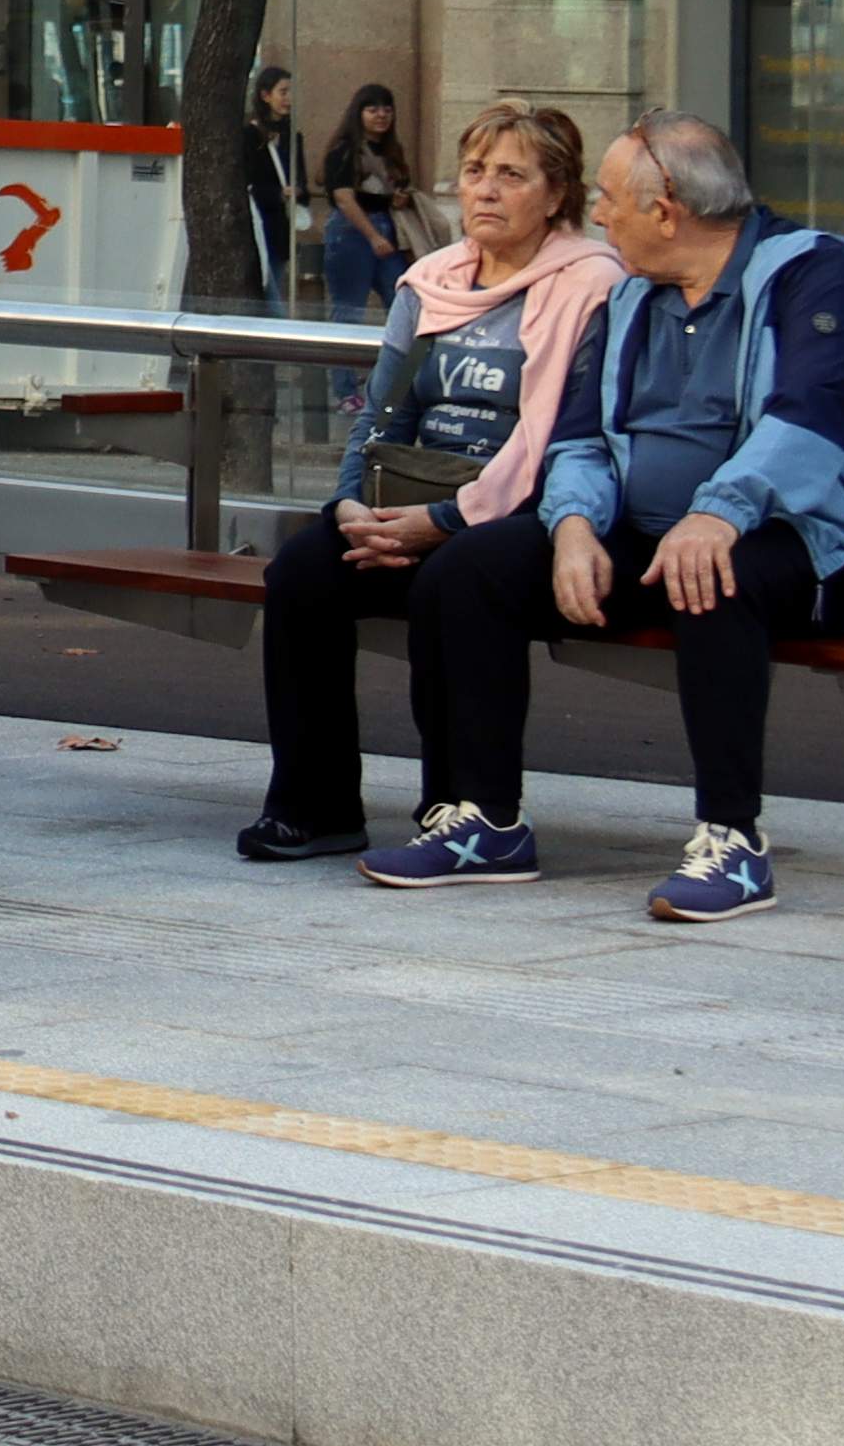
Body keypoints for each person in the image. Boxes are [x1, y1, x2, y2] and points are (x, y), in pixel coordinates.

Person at [367, 111, 844, 924]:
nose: (597, 215)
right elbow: (579, 435)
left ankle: (732, 840)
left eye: (610, 199)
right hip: (639, 533)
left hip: (797, 540)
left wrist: (718, 513)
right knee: (465, 571)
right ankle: (485, 822)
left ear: (667, 211)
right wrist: (574, 527)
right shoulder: (627, 295)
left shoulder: (810, 271)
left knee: (710, 578)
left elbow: (810, 415)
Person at [237, 101, 618, 861]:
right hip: (406, 503)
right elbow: (382, 413)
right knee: (304, 572)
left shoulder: (590, 285)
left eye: (511, 175)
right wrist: (352, 506)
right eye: (474, 171)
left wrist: (443, 521)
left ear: (556, 193)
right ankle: (314, 805)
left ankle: (455, 806)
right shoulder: (430, 282)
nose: (484, 190)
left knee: (453, 578)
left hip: (523, 513)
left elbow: (561, 438)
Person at [318, 82, 418, 316]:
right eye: (373, 110)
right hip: (351, 231)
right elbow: (344, 199)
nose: (381, 115)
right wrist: (373, 236)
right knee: (349, 308)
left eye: (387, 110)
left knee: (402, 303)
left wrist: (398, 199)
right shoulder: (344, 150)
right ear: (358, 113)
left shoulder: (392, 151)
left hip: (388, 227)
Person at [244, 64, 304, 308]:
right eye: (283, 92)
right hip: (260, 221)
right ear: (265, 95)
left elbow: (302, 179)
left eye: (291, 92)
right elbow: (247, 181)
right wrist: (278, 193)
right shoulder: (250, 135)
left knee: (276, 284)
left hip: (281, 225)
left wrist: (297, 191)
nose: (288, 99)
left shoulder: (292, 135)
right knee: (271, 296)